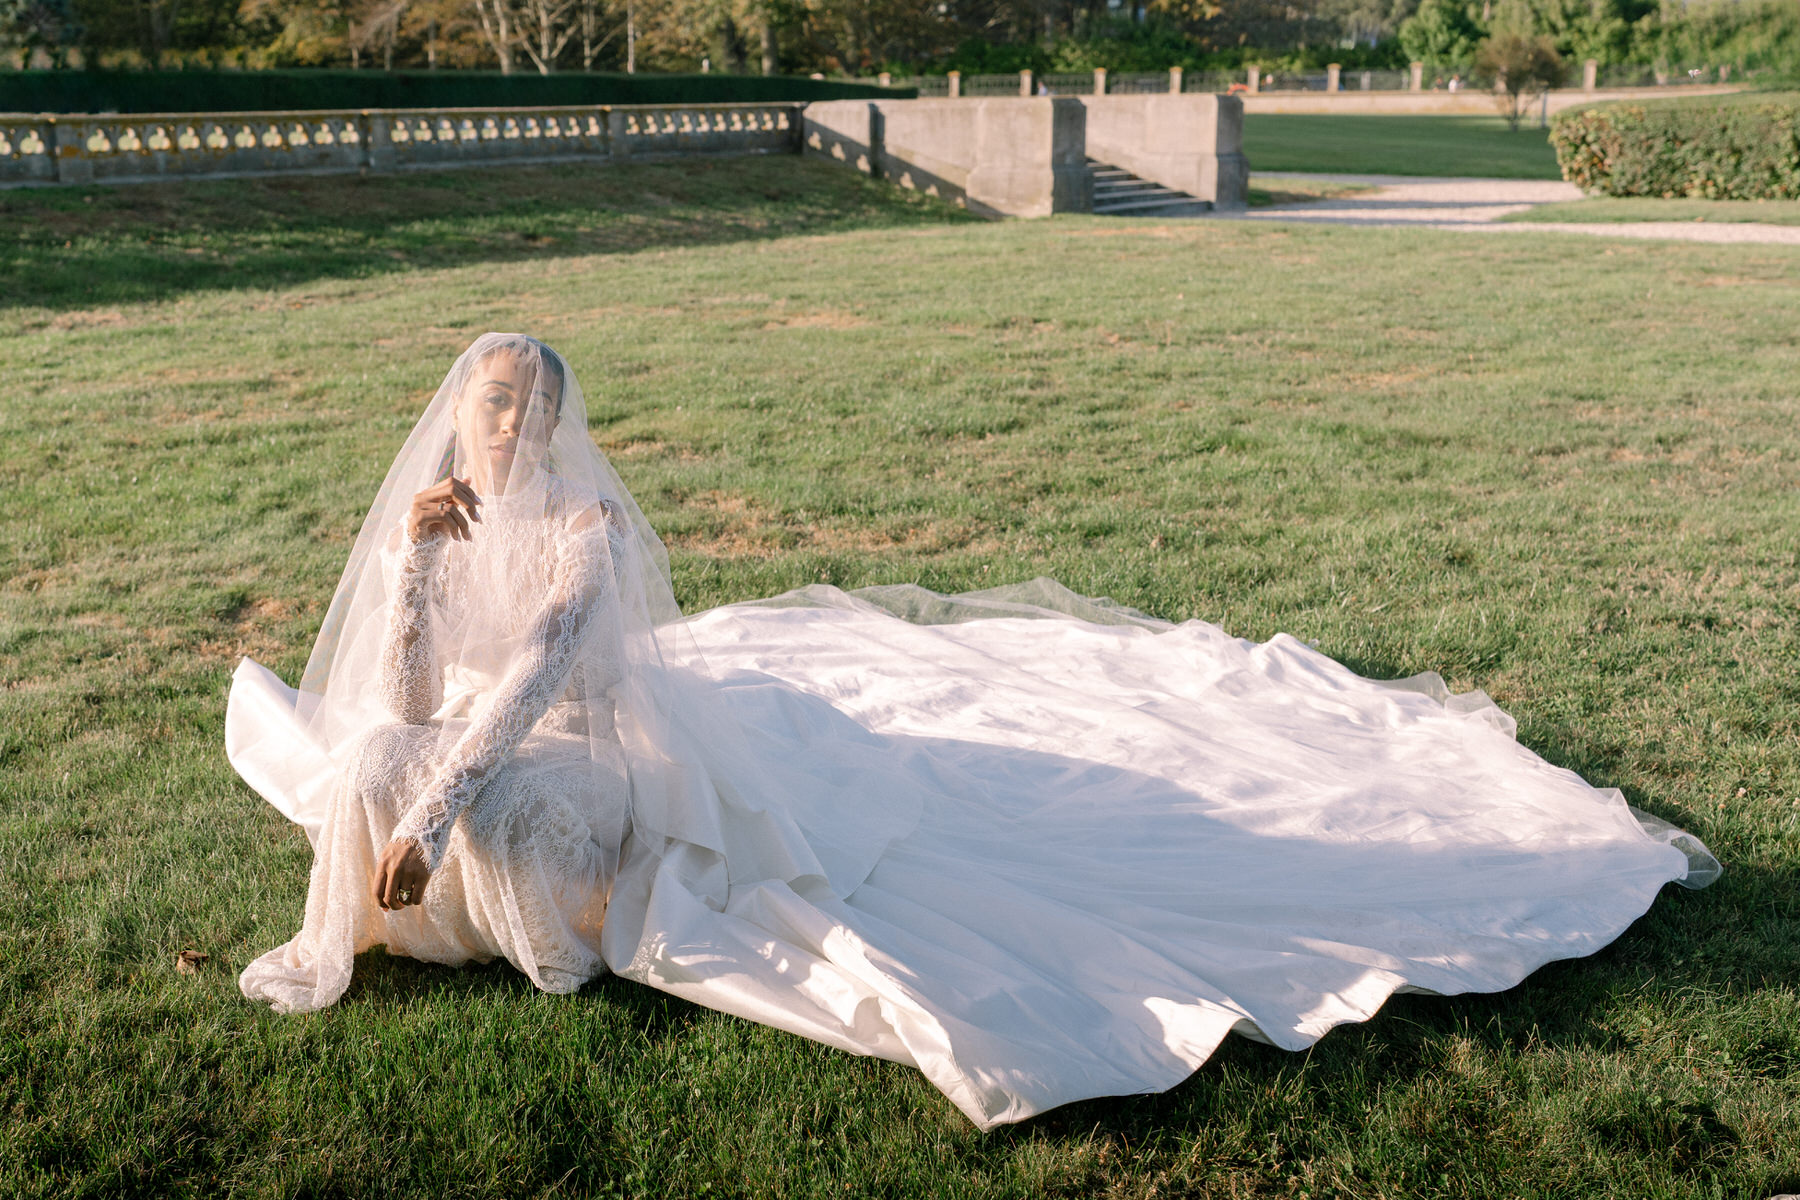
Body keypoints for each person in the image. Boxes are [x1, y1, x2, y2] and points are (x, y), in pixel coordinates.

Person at [230, 333, 1719, 1130]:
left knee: (476, 801)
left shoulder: (586, 539)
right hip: (487, 742)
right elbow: (416, 711)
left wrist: (433, 814)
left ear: (553, 423)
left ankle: (516, 912)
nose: (499, 428)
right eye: (484, 406)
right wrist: (417, 576)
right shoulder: (441, 521)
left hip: (601, 752)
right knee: (368, 755)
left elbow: (525, 698)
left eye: (523, 408)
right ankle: (434, 899)